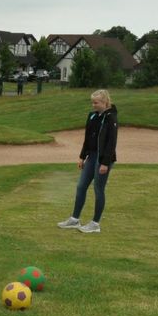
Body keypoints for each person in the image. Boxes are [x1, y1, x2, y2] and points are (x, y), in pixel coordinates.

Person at [57, 89, 118, 233]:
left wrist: (105, 163)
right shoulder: (92, 116)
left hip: (103, 159)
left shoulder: (111, 118)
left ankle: (95, 224)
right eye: (92, 102)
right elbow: (87, 138)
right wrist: (82, 156)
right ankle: (74, 219)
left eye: (96, 103)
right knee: (81, 186)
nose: (93, 105)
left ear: (105, 102)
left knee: (98, 189)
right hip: (91, 156)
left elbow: (111, 142)